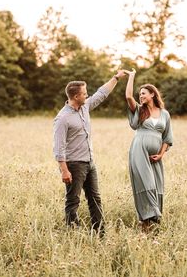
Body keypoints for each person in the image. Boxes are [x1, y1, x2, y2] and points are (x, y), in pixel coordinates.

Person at [53, 70, 126, 234]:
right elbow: (58, 147)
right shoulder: (62, 118)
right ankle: (73, 233)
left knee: (95, 199)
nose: (87, 96)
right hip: (74, 165)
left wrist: (115, 78)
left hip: (89, 162)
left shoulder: (84, 107)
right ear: (76, 97)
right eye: (84, 94)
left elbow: (102, 93)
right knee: (73, 201)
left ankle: (100, 233)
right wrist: (64, 170)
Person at [124, 69, 173, 231]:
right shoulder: (139, 110)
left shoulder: (165, 114)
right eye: (140, 94)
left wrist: (161, 154)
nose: (141, 96)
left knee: (157, 184)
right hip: (139, 152)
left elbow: (167, 138)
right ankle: (146, 219)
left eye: (144, 93)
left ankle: (151, 223)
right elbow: (128, 96)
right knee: (146, 183)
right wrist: (131, 76)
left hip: (155, 157)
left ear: (152, 94)